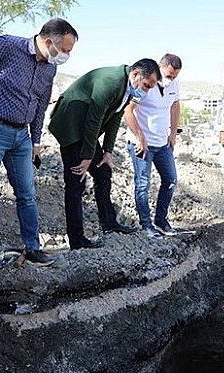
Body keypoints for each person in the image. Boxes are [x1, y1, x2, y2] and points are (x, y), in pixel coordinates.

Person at [0, 18, 78, 272]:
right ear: (48, 41)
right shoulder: (6, 46)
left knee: (27, 195)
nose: (66, 55)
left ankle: (32, 247)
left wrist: (35, 140)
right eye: (65, 49)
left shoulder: (49, 69)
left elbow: (41, 106)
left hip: (21, 137)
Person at [47, 59, 162, 250]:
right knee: (76, 182)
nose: (147, 91)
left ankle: (109, 224)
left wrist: (107, 152)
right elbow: (94, 119)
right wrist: (86, 156)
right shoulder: (111, 81)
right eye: (146, 86)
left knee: (103, 171)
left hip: (85, 130)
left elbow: (115, 117)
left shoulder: (127, 88)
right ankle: (77, 240)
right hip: (71, 127)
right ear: (135, 75)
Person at [124, 54, 182, 238]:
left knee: (170, 179)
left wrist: (172, 134)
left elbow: (175, 106)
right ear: (160, 67)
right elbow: (128, 111)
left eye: (174, 77)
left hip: (162, 143)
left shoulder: (173, 85)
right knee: (143, 184)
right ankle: (146, 225)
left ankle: (161, 220)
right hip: (142, 144)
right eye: (168, 75)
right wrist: (140, 138)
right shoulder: (146, 84)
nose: (170, 79)